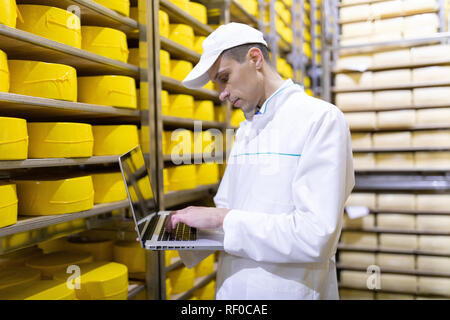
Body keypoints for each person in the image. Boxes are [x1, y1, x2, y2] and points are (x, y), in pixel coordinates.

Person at [165, 23, 355, 300]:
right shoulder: (248, 129)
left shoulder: (321, 120)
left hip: (291, 291)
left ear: (255, 59)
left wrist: (223, 219)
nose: (221, 93)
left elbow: (316, 236)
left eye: (224, 77)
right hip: (234, 290)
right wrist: (182, 229)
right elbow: (227, 210)